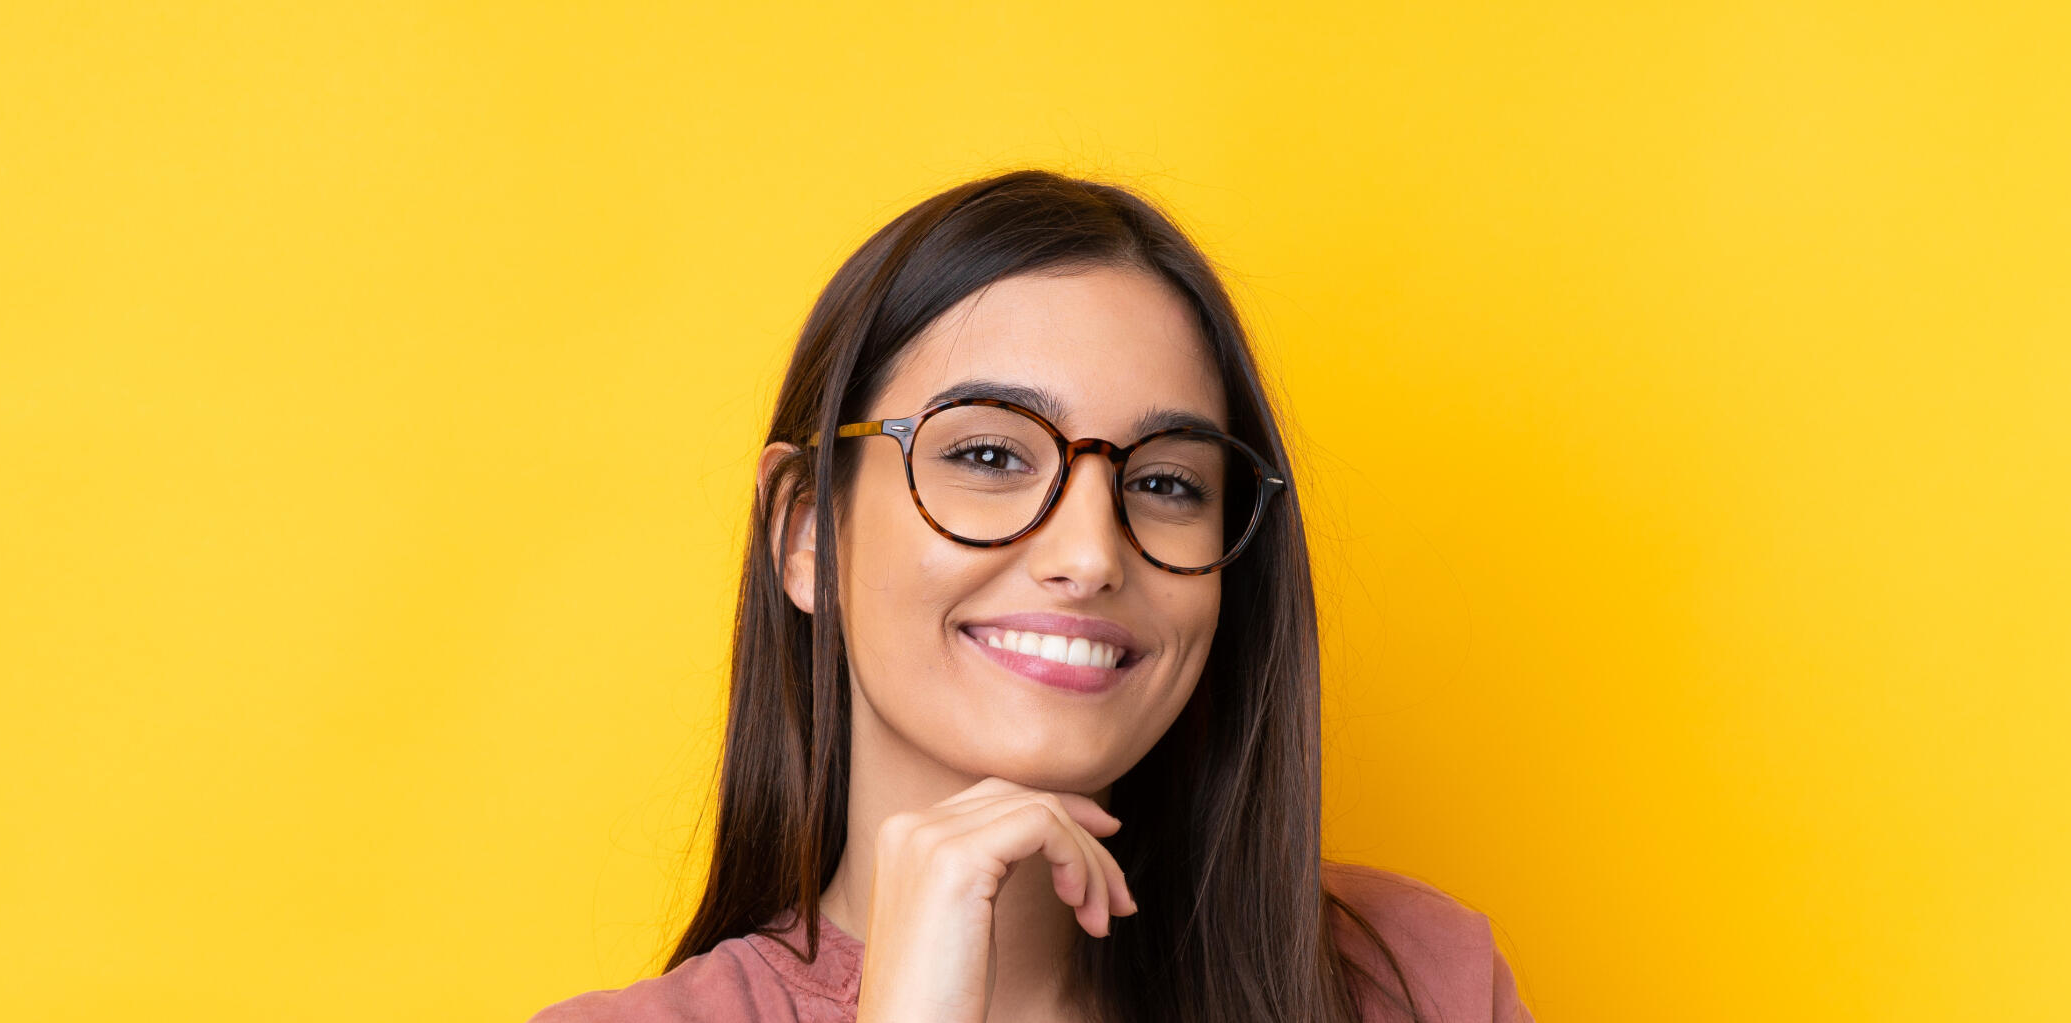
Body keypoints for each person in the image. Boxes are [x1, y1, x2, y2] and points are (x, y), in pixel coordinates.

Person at [530, 169, 1532, 1023]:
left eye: (1166, 482)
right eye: (987, 454)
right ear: (803, 534)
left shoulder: (1411, 984)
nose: (1089, 553)